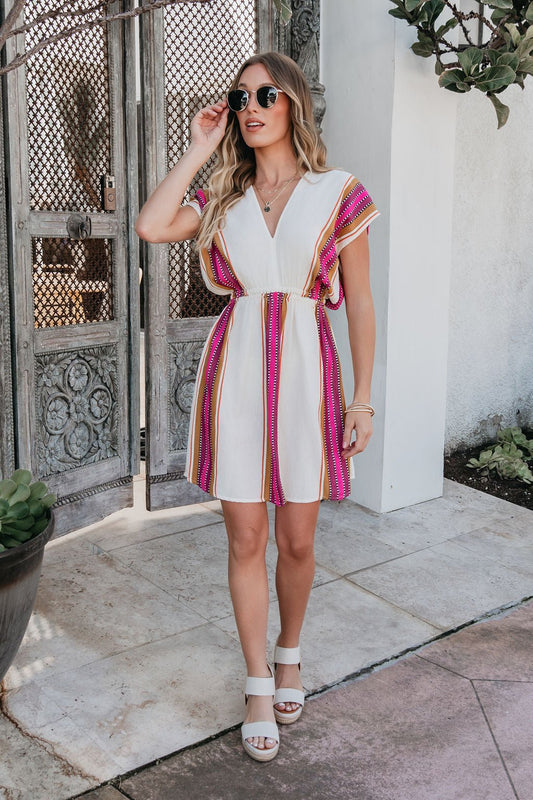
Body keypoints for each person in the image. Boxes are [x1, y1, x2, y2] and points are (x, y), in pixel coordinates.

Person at [135, 51, 379, 763]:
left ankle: (290, 653)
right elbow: (152, 225)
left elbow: (357, 301)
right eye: (240, 96)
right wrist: (199, 148)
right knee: (245, 538)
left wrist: (362, 396)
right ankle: (255, 682)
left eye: (266, 94)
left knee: (298, 539)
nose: (251, 105)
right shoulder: (222, 198)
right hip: (236, 373)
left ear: (293, 104)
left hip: (308, 373)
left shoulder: (338, 191)